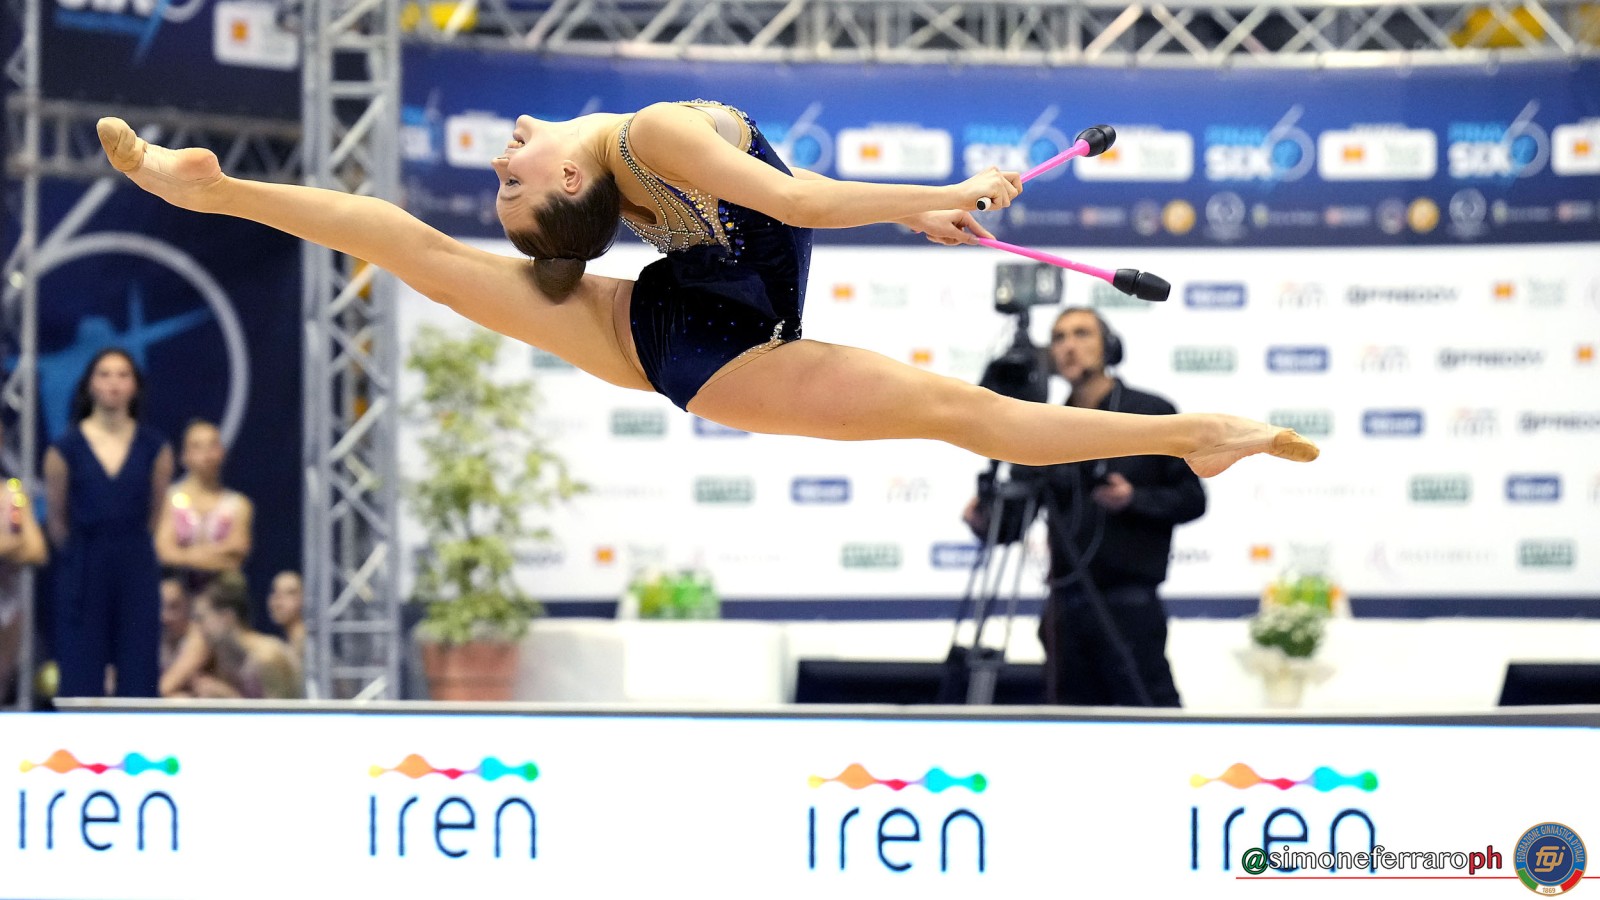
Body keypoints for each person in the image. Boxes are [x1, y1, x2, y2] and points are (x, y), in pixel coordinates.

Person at [95, 109, 1318, 474]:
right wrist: (934, 191)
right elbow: (793, 203)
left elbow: (785, 207)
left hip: (687, 316)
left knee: (432, 261)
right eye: (511, 182)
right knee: (963, 414)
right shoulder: (640, 145)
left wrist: (917, 209)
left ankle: (217, 191)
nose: (499, 162)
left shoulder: (639, 148)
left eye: (502, 179)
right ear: (568, 181)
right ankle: (1195, 437)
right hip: (707, 345)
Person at [966, 308, 1203, 706]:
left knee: (1152, 717)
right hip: (1064, 611)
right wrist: (984, 520)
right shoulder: (1045, 424)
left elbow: (1192, 499)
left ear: (1109, 346)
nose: (1069, 347)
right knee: (1067, 723)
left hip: (1130, 606)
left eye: (1081, 334)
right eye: (1059, 338)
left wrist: (1134, 499)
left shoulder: (1151, 413)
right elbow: (1016, 521)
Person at [43, 348, 172, 698]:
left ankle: (138, 732)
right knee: (80, 665)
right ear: (89, 385)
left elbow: (156, 513)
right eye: (104, 374)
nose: (113, 383)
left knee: (139, 663)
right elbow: (56, 520)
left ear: (135, 385)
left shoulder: (155, 448)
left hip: (135, 560)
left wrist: (130, 546)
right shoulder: (65, 449)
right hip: (85, 562)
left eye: (122, 375)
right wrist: (79, 554)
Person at [154, 418, 254, 593]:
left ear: (222, 453)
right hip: (179, 593)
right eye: (197, 447)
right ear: (184, 456)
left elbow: (238, 551)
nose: (206, 455)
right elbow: (164, 553)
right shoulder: (170, 500)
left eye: (212, 446)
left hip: (222, 596)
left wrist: (184, 555)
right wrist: (217, 557)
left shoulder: (238, 504)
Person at [189, 572, 302, 700]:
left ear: (226, 618)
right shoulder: (227, 659)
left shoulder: (267, 657)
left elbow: (281, 711)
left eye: (201, 619)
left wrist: (227, 695)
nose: (196, 628)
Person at [1, 420, 50, 705]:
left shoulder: (12, 493)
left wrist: (10, 547)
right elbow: (21, 545)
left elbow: (37, 550)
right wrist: (12, 545)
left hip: (8, 606)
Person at [266, 569, 305, 670]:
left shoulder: (308, 645)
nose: (278, 600)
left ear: (304, 599)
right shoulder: (289, 643)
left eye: (289, 593)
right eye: (274, 592)